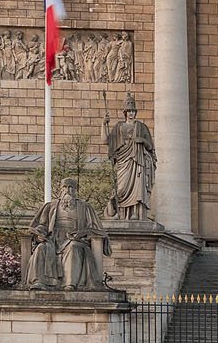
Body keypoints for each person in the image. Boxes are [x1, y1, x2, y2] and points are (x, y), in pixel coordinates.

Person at [25, 177, 111, 291]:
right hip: (53, 240)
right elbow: (41, 225)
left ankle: (69, 284)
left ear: (75, 190)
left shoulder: (85, 207)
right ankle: (39, 282)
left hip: (75, 240)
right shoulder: (50, 206)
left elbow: (96, 229)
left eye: (71, 187)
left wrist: (83, 233)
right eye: (65, 187)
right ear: (61, 189)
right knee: (41, 248)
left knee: (73, 247)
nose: (67, 190)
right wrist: (39, 234)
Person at [106, 93, 157, 221]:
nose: (131, 113)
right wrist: (103, 124)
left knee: (138, 187)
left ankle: (135, 213)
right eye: (129, 111)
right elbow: (106, 140)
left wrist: (142, 141)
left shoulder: (142, 127)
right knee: (121, 189)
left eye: (133, 111)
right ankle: (121, 213)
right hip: (123, 161)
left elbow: (150, 146)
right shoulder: (119, 127)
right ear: (125, 112)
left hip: (138, 160)